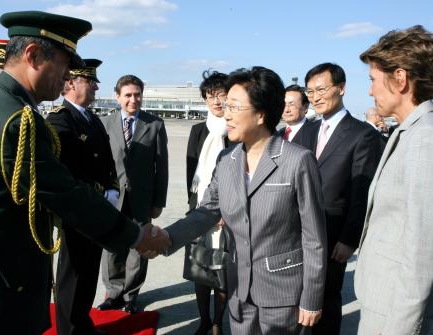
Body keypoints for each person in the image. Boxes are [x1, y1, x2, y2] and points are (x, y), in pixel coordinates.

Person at [0, 11, 169, 335]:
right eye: (63, 65)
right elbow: (68, 196)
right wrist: (136, 235)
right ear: (32, 56)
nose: (67, 77)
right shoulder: (16, 122)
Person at [156, 66, 327, 334]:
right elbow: (207, 211)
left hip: (283, 294)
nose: (226, 114)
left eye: (234, 107)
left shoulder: (297, 160)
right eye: (226, 106)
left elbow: (314, 237)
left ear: (261, 114)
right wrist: (165, 238)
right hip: (238, 289)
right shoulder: (228, 160)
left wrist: (312, 298)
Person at [355, 25, 433, 334]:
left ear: (399, 79)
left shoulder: (424, 139)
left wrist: (401, 328)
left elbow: (422, 253)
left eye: (373, 80)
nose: (371, 91)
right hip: (382, 304)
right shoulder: (410, 131)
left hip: (394, 317)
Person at [303, 63, 382, 335]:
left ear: (342, 88)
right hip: (298, 233)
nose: (315, 97)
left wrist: (349, 239)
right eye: (310, 91)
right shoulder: (307, 131)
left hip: (333, 234)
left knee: (326, 302)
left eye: (321, 89)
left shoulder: (363, 134)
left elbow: (362, 192)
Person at [46, 59, 117, 335]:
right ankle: (69, 330)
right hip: (78, 211)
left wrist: (112, 187)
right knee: (72, 276)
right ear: (71, 83)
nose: (97, 86)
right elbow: (66, 171)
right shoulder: (60, 120)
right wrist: (100, 192)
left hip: (96, 209)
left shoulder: (91, 118)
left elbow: (107, 160)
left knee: (88, 274)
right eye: (91, 81)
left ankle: (82, 324)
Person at [99, 75, 169, 314]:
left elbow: (162, 167)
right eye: (128, 95)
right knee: (111, 247)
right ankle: (114, 293)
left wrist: (159, 202)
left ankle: (131, 295)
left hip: (141, 199)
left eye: (137, 94)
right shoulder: (105, 123)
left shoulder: (155, 124)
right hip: (112, 198)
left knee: (139, 247)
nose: (133, 99)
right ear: (117, 96)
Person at [185, 69, 229, 335]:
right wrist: (195, 209)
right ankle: (203, 319)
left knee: (222, 272)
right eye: (211, 96)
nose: (216, 101)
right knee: (200, 269)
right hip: (200, 210)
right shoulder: (198, 131)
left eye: (221, 95)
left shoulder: (235, 130)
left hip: (228, 215)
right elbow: (192, 172)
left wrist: (228, 210)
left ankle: (217, 323)